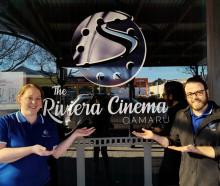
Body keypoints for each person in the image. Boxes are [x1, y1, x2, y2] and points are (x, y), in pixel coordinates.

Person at [0, 84, 95, 186]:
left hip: (43, 182)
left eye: (38, 98)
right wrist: (31, 149)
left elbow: (56, 153)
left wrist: (75, 135)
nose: (34, 102)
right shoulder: (5, 122)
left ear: (42, 102)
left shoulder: (48, 124)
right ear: (19, 99)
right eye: (30, 98)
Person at [133, 76, 220, 186]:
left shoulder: (218, 116)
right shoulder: (181, 115)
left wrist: (196, 149)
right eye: (190, 94)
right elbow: (173, 141)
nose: (194, 97)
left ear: (207, 92)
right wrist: (154, 136)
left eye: (199, 92)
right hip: (186, 180)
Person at [152, 81, 187, 186]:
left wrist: (157, 132)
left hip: (174, 155)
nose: (164, 97)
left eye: (164, 94)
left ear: (171, 96)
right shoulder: (186, 108)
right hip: (184, 157)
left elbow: (173, 136)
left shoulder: (175, 111)